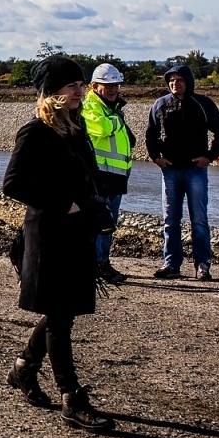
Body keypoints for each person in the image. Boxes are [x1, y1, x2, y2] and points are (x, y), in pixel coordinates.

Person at [2, 55, 114, 432]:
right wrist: (61, 204)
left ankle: (23, 369)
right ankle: (71, 398)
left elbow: (89, 176)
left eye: (81, 85)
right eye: (73, 85)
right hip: (49, 236)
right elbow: (13, 184)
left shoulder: (74, 127)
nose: (81, 90)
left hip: (75, 233)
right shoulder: (34, 132)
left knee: (60, 313)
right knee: (60, 317)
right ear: (53, 92)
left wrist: (95, 207)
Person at [146, 62, 219, 281]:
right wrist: (156, 158)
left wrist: (210, 156)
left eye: (179, 80)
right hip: (170, 170)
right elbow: (150, 134)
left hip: (195, 170)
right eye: (171, 81)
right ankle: (171, 264)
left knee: (199, 219)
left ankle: (203, 265)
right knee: (170, 220)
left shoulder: (203, 104)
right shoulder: (160, 105)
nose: (175, 84)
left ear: (188, 82)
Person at [82, 63, 135, 284]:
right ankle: (96, 265)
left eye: (116, 85)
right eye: (107, 85)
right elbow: (102, 128)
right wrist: (118, 118)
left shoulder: (110, 109)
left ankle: (102, 262)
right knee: (99, 224)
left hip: (114, 177)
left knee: (108, 224)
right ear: (94, 86)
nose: (113, 89)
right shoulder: (90, 108)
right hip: (100, 177)